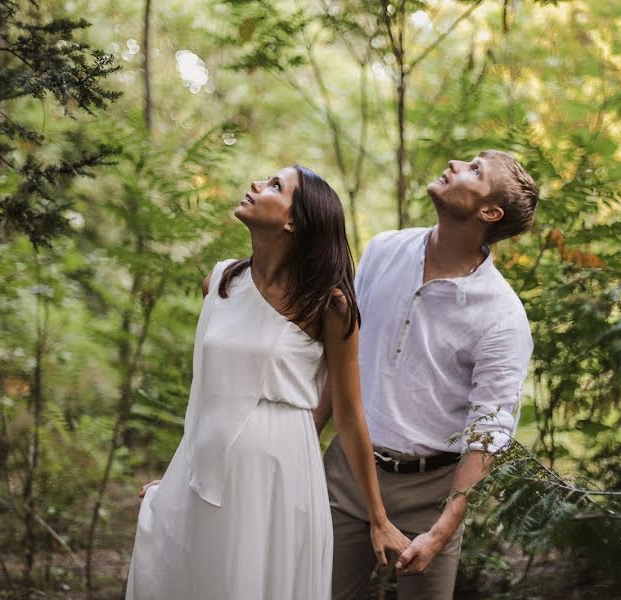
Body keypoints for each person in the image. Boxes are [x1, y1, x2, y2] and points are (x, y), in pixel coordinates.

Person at [126, 164, 409, 600]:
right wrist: (178, 473)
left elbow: (350, 416)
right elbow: (205, 396)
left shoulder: (330, 307)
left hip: (280, 473)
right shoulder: (221, 282)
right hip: (207, 465)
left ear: (294, 220)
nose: (256, 183)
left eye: (276, 185)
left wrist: (378, 517)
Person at [315, 150, 538, 599]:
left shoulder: (502, 316)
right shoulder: (383, 250)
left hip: (432, 493)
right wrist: (301, 440)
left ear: (489, 212)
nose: (456, 165)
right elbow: (335, 359)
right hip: (346, 473)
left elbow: (488, 430)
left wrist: (442, 529)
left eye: (475, 171)